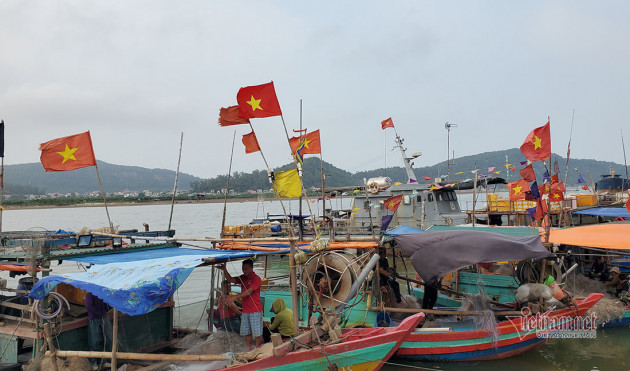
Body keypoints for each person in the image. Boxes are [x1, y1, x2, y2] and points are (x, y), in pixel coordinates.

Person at [218, 259, 263, 350]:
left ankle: (257, 349)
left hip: (255, 310)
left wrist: (234, 297)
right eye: (243, 269)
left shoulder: (257, 279)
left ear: (251, 268)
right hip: (245, 311)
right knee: (247, 333)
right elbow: (230, 279)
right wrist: (224, 270)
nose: (244, 271)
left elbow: (249, 291)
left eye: (246, 269)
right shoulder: (243, 278)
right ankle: (248, 350)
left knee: (257, 334)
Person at [85, 292, 111, 369]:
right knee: (95, 340)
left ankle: (104, 360)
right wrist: (99, 313)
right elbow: (89, 306)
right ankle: (94, 362)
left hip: (103, 317)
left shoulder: (101, 292)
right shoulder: (90, 294)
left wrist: (106, 310)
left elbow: (106, 303)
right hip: (94, 319)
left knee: (105, 339)